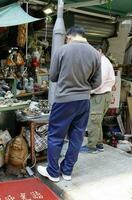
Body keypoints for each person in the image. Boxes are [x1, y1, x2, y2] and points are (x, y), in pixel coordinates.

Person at [37, 26, 102, 182]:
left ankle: (53, 172)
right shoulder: (95, 54)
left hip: (64, 101)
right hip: (83, 101)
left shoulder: (62, 50)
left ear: (69, 36)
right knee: (77, 137)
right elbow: (97, 82)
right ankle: (67, 171)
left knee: (55, 136)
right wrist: (83, 88)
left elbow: (52, 77)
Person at [80, 46, 115, 153]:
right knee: (97, 121)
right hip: (101, 95)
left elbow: (99, 83)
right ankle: (99, 144)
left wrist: (88, 92)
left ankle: (91, 147)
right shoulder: (101, 61)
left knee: (93, 121)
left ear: (99, 51)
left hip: (100, 95)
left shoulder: (103, 63)